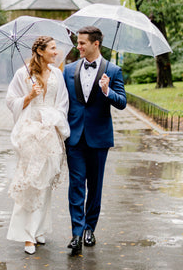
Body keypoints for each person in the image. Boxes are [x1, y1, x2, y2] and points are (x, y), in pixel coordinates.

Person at [63, 26, 127, 255]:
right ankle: (76, 233)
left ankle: (91, 228)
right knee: (76, 185)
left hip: (99, 138)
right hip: (75, 137)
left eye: (81, 43)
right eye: (77, 42)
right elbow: (63, 102)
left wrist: (108, 91)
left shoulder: (113, 70)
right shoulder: (68, 70)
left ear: (95, 44)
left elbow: (122, 102)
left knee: (95, 186)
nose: (77, 46)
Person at [6, 36, 70, 255]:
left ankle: (39, 229)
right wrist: (29, 96)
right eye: (53, 48)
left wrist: (52, 119)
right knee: (31, 183)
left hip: (50, 135)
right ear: (41, 51)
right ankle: (26, 236)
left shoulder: (58, 75)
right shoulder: (23, 74)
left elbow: (63, 104)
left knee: (45, 184)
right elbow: (10, 101)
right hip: (30, 135)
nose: (56, 51)